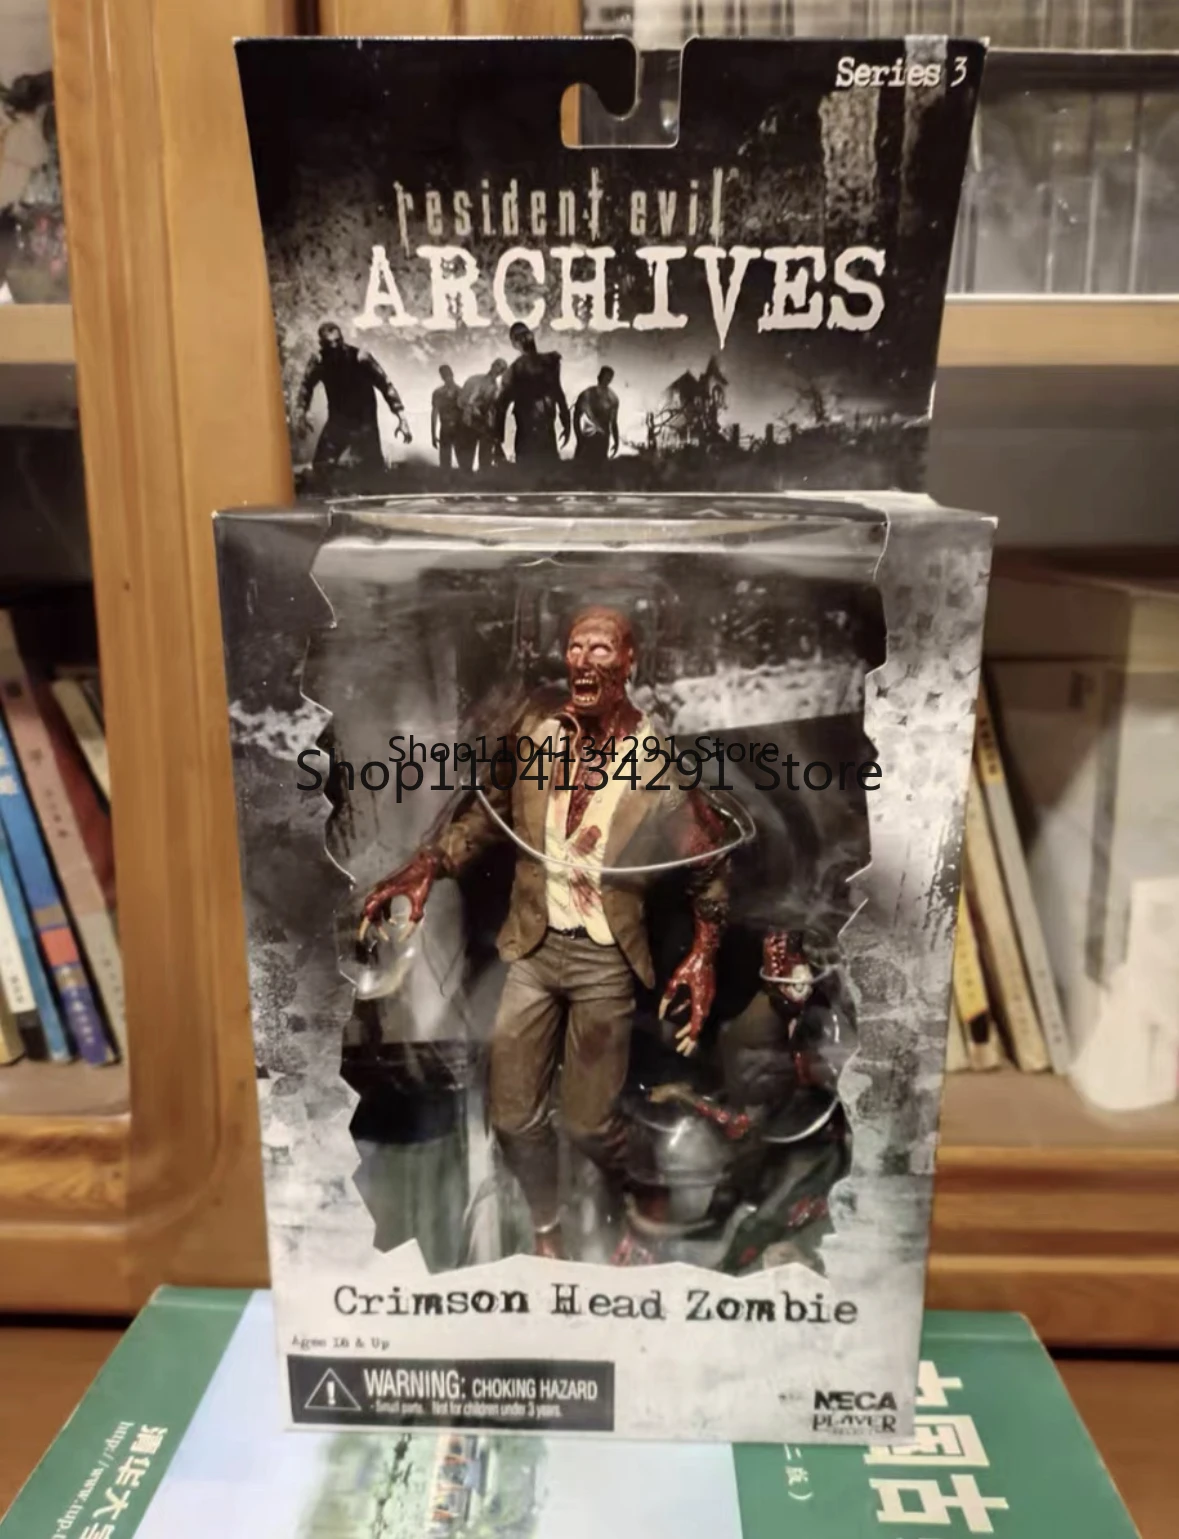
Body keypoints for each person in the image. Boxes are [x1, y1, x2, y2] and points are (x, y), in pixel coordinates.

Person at [362, 607, 731, 1260]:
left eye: (600, 649)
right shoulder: (535, 732)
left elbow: (706, 857)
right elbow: (490, 813)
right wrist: (429, 863)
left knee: (589, 1122)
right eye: (575, 647)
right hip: (532, 947)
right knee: (511, 1118)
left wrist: (704, 951)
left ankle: (642, 1189)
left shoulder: (656, 765)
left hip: (605, 958)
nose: (583, 661)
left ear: (629, 661)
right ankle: (545, 1224)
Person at [296, 321, 411, 474]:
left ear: (342, 340)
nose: (334, 348)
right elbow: (306, 387)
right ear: (322, 344)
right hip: (338, 420)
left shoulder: (360, 358)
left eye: (337, 342)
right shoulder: (319, 361)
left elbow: (386, 385)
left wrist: (402, 418)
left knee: (373, 471)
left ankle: (381, 464)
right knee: (321, 466)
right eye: (329, 345)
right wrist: (301, 414)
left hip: (364, 420)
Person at [494, 322, 570, 464]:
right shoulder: (517, 370)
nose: (526, 339)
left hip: (542, 435)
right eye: (521, 337)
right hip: (530, 436)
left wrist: (566, 420)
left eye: (526, 335)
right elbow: (500, 406)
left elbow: (500, 407)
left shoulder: (548, 362)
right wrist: (497, 441)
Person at [456, 358, 507, 473]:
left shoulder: (498, 388)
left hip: (486, 425)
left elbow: (496, 409)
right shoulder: (474, 380)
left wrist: (494, 429)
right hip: (470, 422)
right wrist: (471, 409)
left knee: (485, 460)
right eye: (498, 366)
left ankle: (482, 478)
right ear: (492, 365)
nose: (499, 370)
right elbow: (461, 400)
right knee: (466, 459)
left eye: (502, 369)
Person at [573, 367, 620, 464]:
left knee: (598, 468)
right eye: (605, 377)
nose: (606, 380)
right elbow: (576, 417)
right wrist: (579, 437)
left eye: (609, 378)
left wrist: (616, 441)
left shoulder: (613, 398)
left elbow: (614, 422)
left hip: (602, 440)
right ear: (599, 376)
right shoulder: (587, 394)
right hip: (587, 438)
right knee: (581, 467)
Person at [431, 365, 463, 470]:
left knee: (463, 462)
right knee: (445, 463)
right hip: (445, 429)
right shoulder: (438, 393)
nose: (447, 377)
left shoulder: (461, 392)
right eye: (444, 375)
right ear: (442, 377)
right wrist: (433, 434)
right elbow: (434, 413)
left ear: (452, 374)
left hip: (459, 428)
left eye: (448, 374)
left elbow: (466, 412)